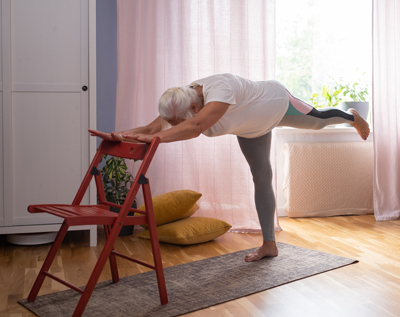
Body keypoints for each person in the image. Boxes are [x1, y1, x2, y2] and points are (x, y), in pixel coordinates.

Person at [89, 73, 370, 262]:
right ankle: (269, 244)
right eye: (174, 122)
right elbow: (152, 128)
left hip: (275, 104)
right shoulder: (180, 100)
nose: (176, 126)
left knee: (319, 120)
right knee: (262, 176)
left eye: (179, 122)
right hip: (250, 129)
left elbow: (195, 127)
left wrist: (154, 138)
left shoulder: (219, 90)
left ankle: (351, 117)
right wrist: (119, 134)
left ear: (196, 107)